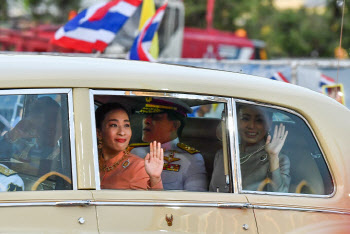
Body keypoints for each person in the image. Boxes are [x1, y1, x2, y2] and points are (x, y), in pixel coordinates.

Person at [130, 97, 207, 191]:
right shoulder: (134, 152)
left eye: (156, 117)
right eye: (146, 115)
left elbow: (195, 201)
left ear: (175, 125)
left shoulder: (190, 159)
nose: (146, 121)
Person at [210, 104, 290, 193]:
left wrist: (273, 157)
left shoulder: (280, 160)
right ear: (235, 121)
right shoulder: (223, 154)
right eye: (245, 119)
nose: (251, 126)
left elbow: (279, 197)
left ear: (269, 124)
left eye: (259, 120)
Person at [95, 102, 164, 190]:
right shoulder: (89, 161)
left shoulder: (138, 167)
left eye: (126, 125)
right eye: (114, 125)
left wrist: (155, 178)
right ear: (99, 133)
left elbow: (153, 202)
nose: (122, 132)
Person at [0, 96, 63, 176]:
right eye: (32, 114)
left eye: (38, 115)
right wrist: (12, 135)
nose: (29, 119)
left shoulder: (63, 156)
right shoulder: (24, 148)